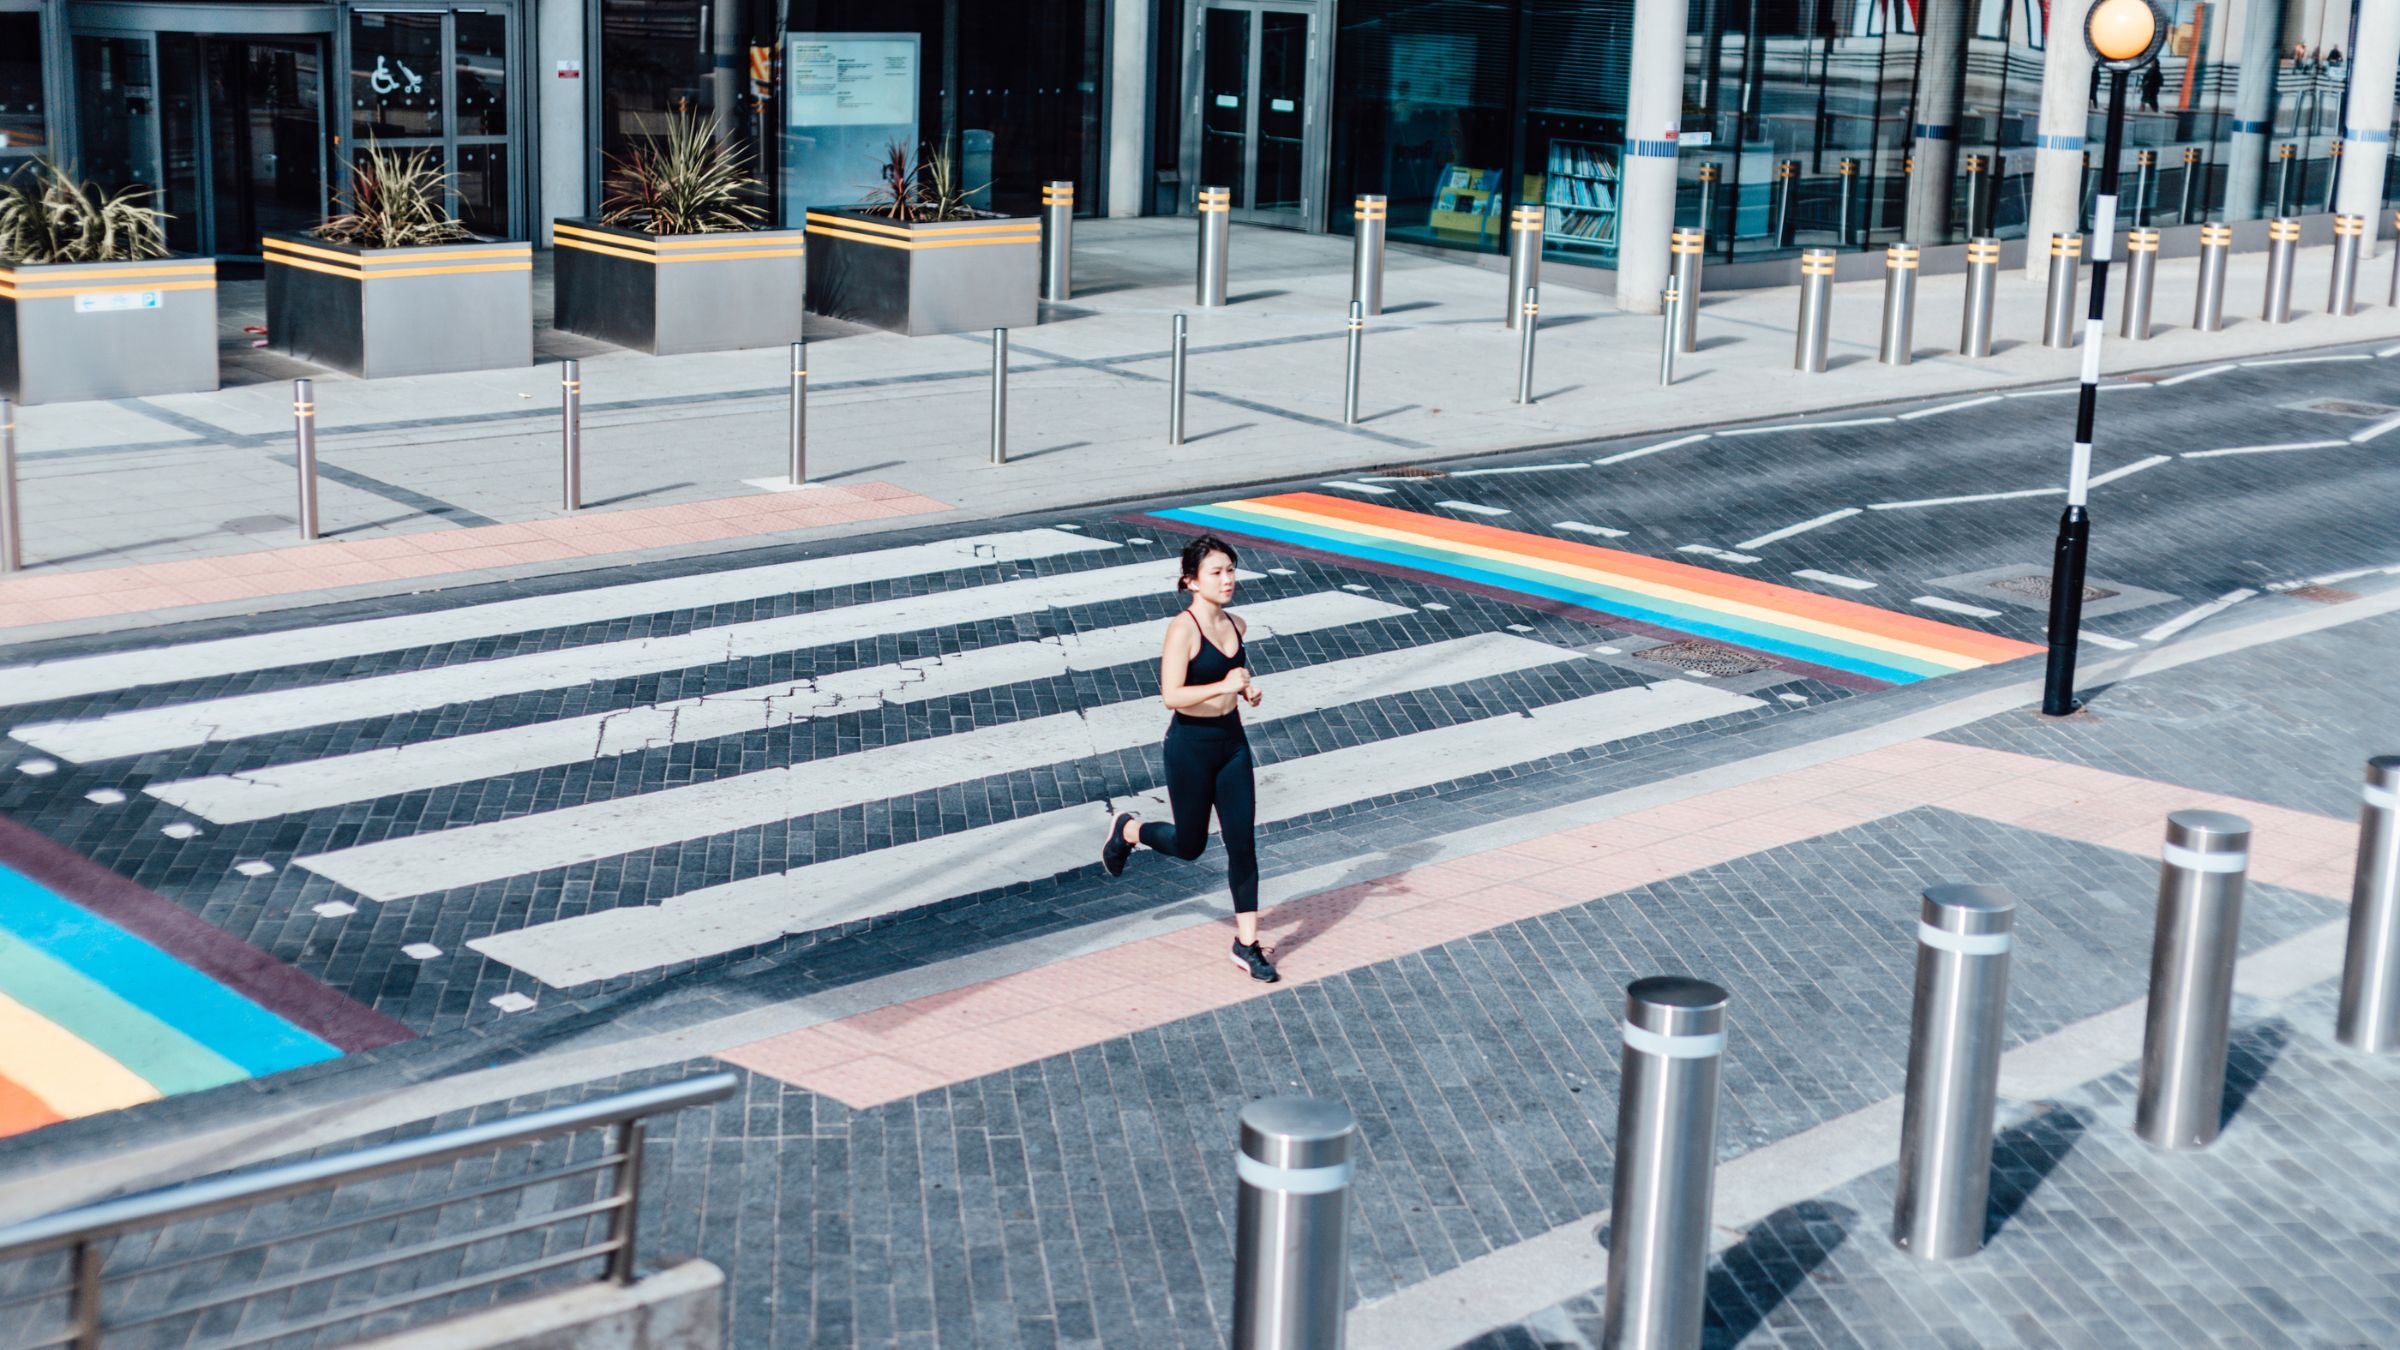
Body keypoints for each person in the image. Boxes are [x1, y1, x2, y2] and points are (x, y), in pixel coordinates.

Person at [1101, 535, 1277, 982]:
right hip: (1190, 747)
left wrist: (1246, 688)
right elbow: (1172, 696)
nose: (1227, 580)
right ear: (1191, 582)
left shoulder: (1238, 625)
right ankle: (1129, 829)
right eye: (1216, 573)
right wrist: (1226, 685)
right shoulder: (1183, 629)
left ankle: (1247, 944)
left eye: (1231, 571)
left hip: (1232, 742)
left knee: (1243, 843)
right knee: (1191, 845)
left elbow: (1234, 674)